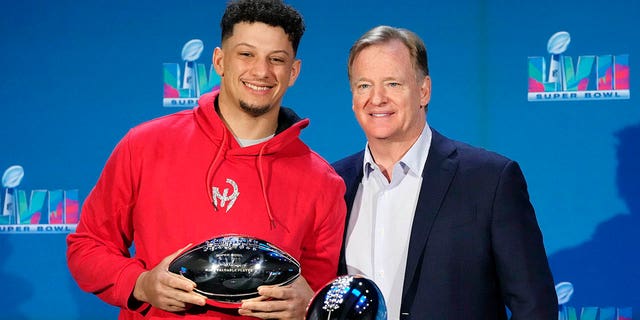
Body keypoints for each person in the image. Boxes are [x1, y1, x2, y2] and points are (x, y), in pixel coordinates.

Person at [66, 1, 346, 319]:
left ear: (293, 71)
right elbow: (87, 245)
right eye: (246, 54)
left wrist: (308, 308)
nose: (261, 71)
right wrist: (141, 284)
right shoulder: (145, 145)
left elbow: (317, 291)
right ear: (219, 60)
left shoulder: (322, 182)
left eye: (277, 60)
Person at [332, 25, 558, 319]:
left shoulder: (490, 180)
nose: (376, 99)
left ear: (424, 91)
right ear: (352, 97)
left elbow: (534, 306)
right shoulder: (334, 183)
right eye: (364, 85)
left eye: (393, 84)